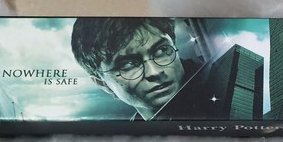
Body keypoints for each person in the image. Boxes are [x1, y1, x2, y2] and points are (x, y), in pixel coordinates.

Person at [71, 17, 204, 120]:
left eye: (161, 50)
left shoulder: (216, 81)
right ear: (103, 84)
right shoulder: (132, 136)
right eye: (127, 65)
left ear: (174, 45)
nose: (154, 72)